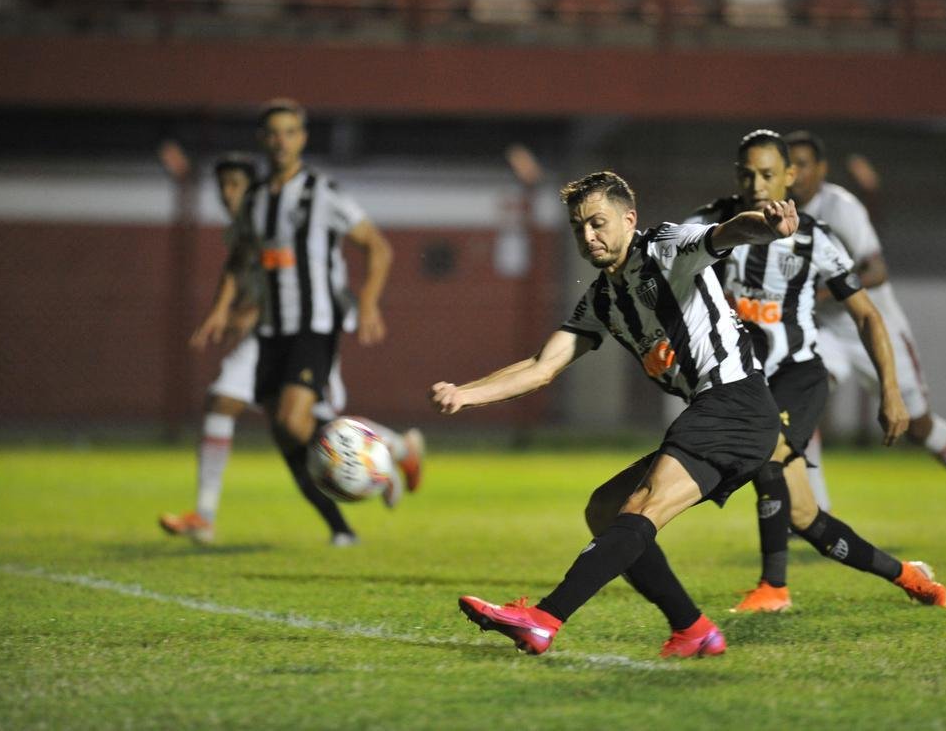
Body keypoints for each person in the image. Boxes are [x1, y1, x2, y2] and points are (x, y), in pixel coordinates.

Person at [432, 170, 799, 658]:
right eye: (579, 227)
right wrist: (466, 393)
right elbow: (543, 367)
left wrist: (767, 223)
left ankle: (543, 618)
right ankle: (693, 630)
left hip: (735, 402)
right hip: (722, 413)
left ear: (629, 219)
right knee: (606, 509)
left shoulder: (666, 247)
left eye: (598, 223)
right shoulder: (602, 300)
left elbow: (727, 233)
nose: (589, 236)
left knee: (641, 506)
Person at [687, 130, 946, 613]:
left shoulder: (814, 239)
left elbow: (868, 315)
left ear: (790, 177)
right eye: (747, 174)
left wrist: (890, 392)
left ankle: (774, 589)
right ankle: (909, 576)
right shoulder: (709, 225)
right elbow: (663, 266)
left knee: (767, 454)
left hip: (797, 375)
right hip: (743, 381)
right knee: (807, 517)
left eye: (768, 174)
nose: (757, 184)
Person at [160, 153, 424, 544]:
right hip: (272, 333)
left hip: (306, 331)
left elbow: (311, 268)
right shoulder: (245, 226)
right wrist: (224, 312)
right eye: (222, 187)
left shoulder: (298, 209)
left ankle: (207, 515)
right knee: (297, 432)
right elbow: (241, 269)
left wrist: (247, 313)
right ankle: (384, 462)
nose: (228, 194)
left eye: (236, 185)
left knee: (247, 411)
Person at [783, 130, 946, 546]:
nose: (794, 174)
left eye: (803, 164)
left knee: (918, 427)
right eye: (788, 164)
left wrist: (824, 292)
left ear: (821, 169)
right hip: (825, 330)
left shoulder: (840, 208)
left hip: (874, 327)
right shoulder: (778, 212)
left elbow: (876, 270)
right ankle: (816, 514)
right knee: (801, 402)